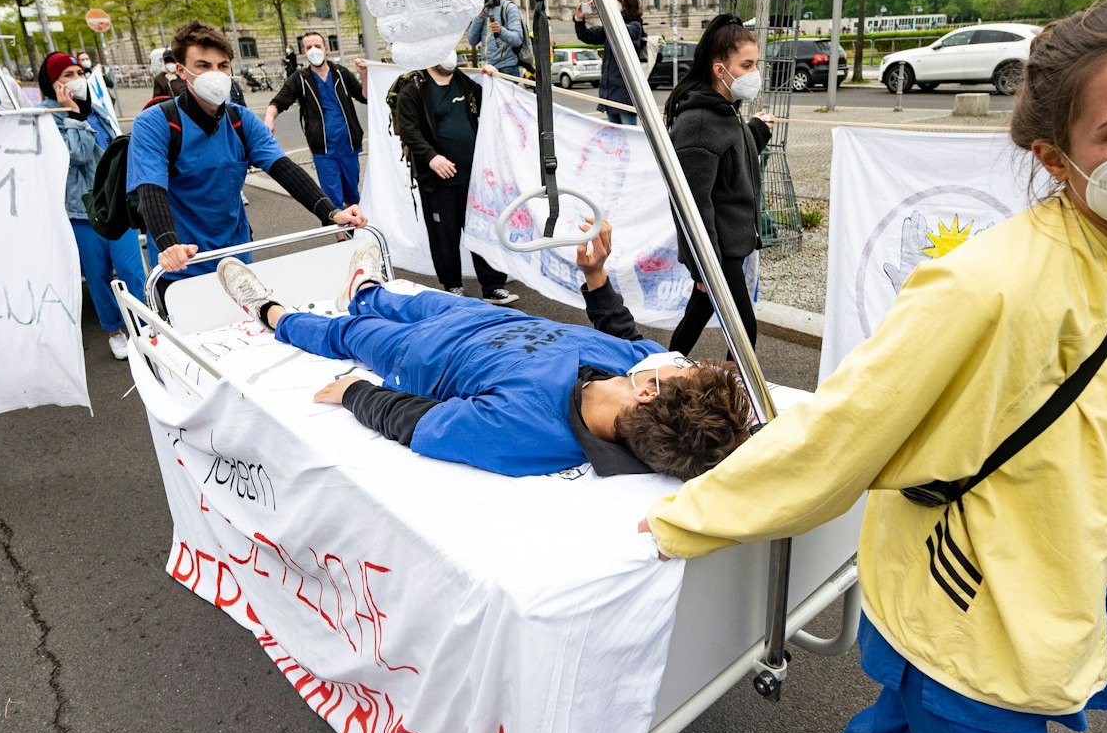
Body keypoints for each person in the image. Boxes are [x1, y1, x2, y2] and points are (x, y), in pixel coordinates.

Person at [642, 0, 1107, 733]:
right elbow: (843, 428)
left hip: (1033, 568)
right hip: (980, 598)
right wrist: (680, 519)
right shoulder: (991, 284)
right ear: (1055, 156)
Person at [213, 224, 753, 479]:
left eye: (682, 369)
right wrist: (595, 275)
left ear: (647, 395)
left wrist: (356, 393)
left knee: (347, 335)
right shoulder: (630, 369)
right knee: (395, 301)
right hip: (484, 317)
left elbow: (418, 422)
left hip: (421, 355)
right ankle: (365, 290)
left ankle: (270, 313)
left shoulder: (528, 432)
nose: (677, 359)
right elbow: (620, 330)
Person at [127, 21, 365, 305]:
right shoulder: (155, 123)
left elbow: (284, 169)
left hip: (237, 257)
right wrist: (169, 245)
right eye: (203, 66)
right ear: (181, 70)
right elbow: (151, 189)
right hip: (181, 265)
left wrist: (331, 213)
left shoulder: (241, 120)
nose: (215, 74)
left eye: (223, 65)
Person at [664, 13, 775, 357]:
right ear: (719, 69)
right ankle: (739, 398)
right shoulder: (698, 123)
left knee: (695, 322)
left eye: (755, 64)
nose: (754, 73)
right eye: (746, 64)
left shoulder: (725, 110)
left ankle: (663, 373)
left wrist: (758, 130)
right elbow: (691, 204)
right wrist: (704, 266)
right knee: (744, 332)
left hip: (726, 248)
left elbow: (733, 160)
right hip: (718, 252)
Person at [386, 59, 519, 304]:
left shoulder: (465, 83)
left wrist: (494, 79)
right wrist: (432, 158)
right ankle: (453, 286)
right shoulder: (414, 89)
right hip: (437, 181)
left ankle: (493, 286)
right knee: (444, 236)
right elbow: (409, 129)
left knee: (481, 229)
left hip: (474, 177)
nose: (451, 57)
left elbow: (492, 104)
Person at [40, 52, 145, 361]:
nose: (77, 78)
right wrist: (73, 116)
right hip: (80, 209)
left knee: (130, 267)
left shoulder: (95, 107)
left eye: (78, 71)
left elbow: (115, 148)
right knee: (97, 274)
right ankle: (114, 330)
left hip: (115, 202)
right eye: (67, 74)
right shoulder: (46, 117)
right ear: (52, 82)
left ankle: (144, 325)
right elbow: (78, 157)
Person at [265, 31, 367, 211]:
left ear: (326, 49)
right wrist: (269, 119)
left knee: (352, 195)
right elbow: (278, 102)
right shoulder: (300, 79)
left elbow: (364, 96)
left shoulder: (341, 73)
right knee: (332, 200)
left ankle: (355, 231)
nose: (313, 51)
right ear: (304, 52)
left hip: (348, 146)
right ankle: (342, 238)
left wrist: (365, 75)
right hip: (324, 151)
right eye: (308, 47)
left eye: (317, 46)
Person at [573, 0, 648, 125]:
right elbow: (587, 36)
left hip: (625, 91)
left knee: (628, 136)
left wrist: (608, 12)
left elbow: (625, 33)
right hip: (610, 91)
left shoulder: (634, 25)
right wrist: (579, 19)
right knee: (615, 138)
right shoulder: (611, 25)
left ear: (623, 0)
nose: (610, 2)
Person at [466, 0, 526, 78]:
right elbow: (472, 40)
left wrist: (500, 31)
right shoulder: (480, 9)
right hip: (487, 69)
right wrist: (479, 17)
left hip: (507, 68)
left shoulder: (508, 8)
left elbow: (517, 39)